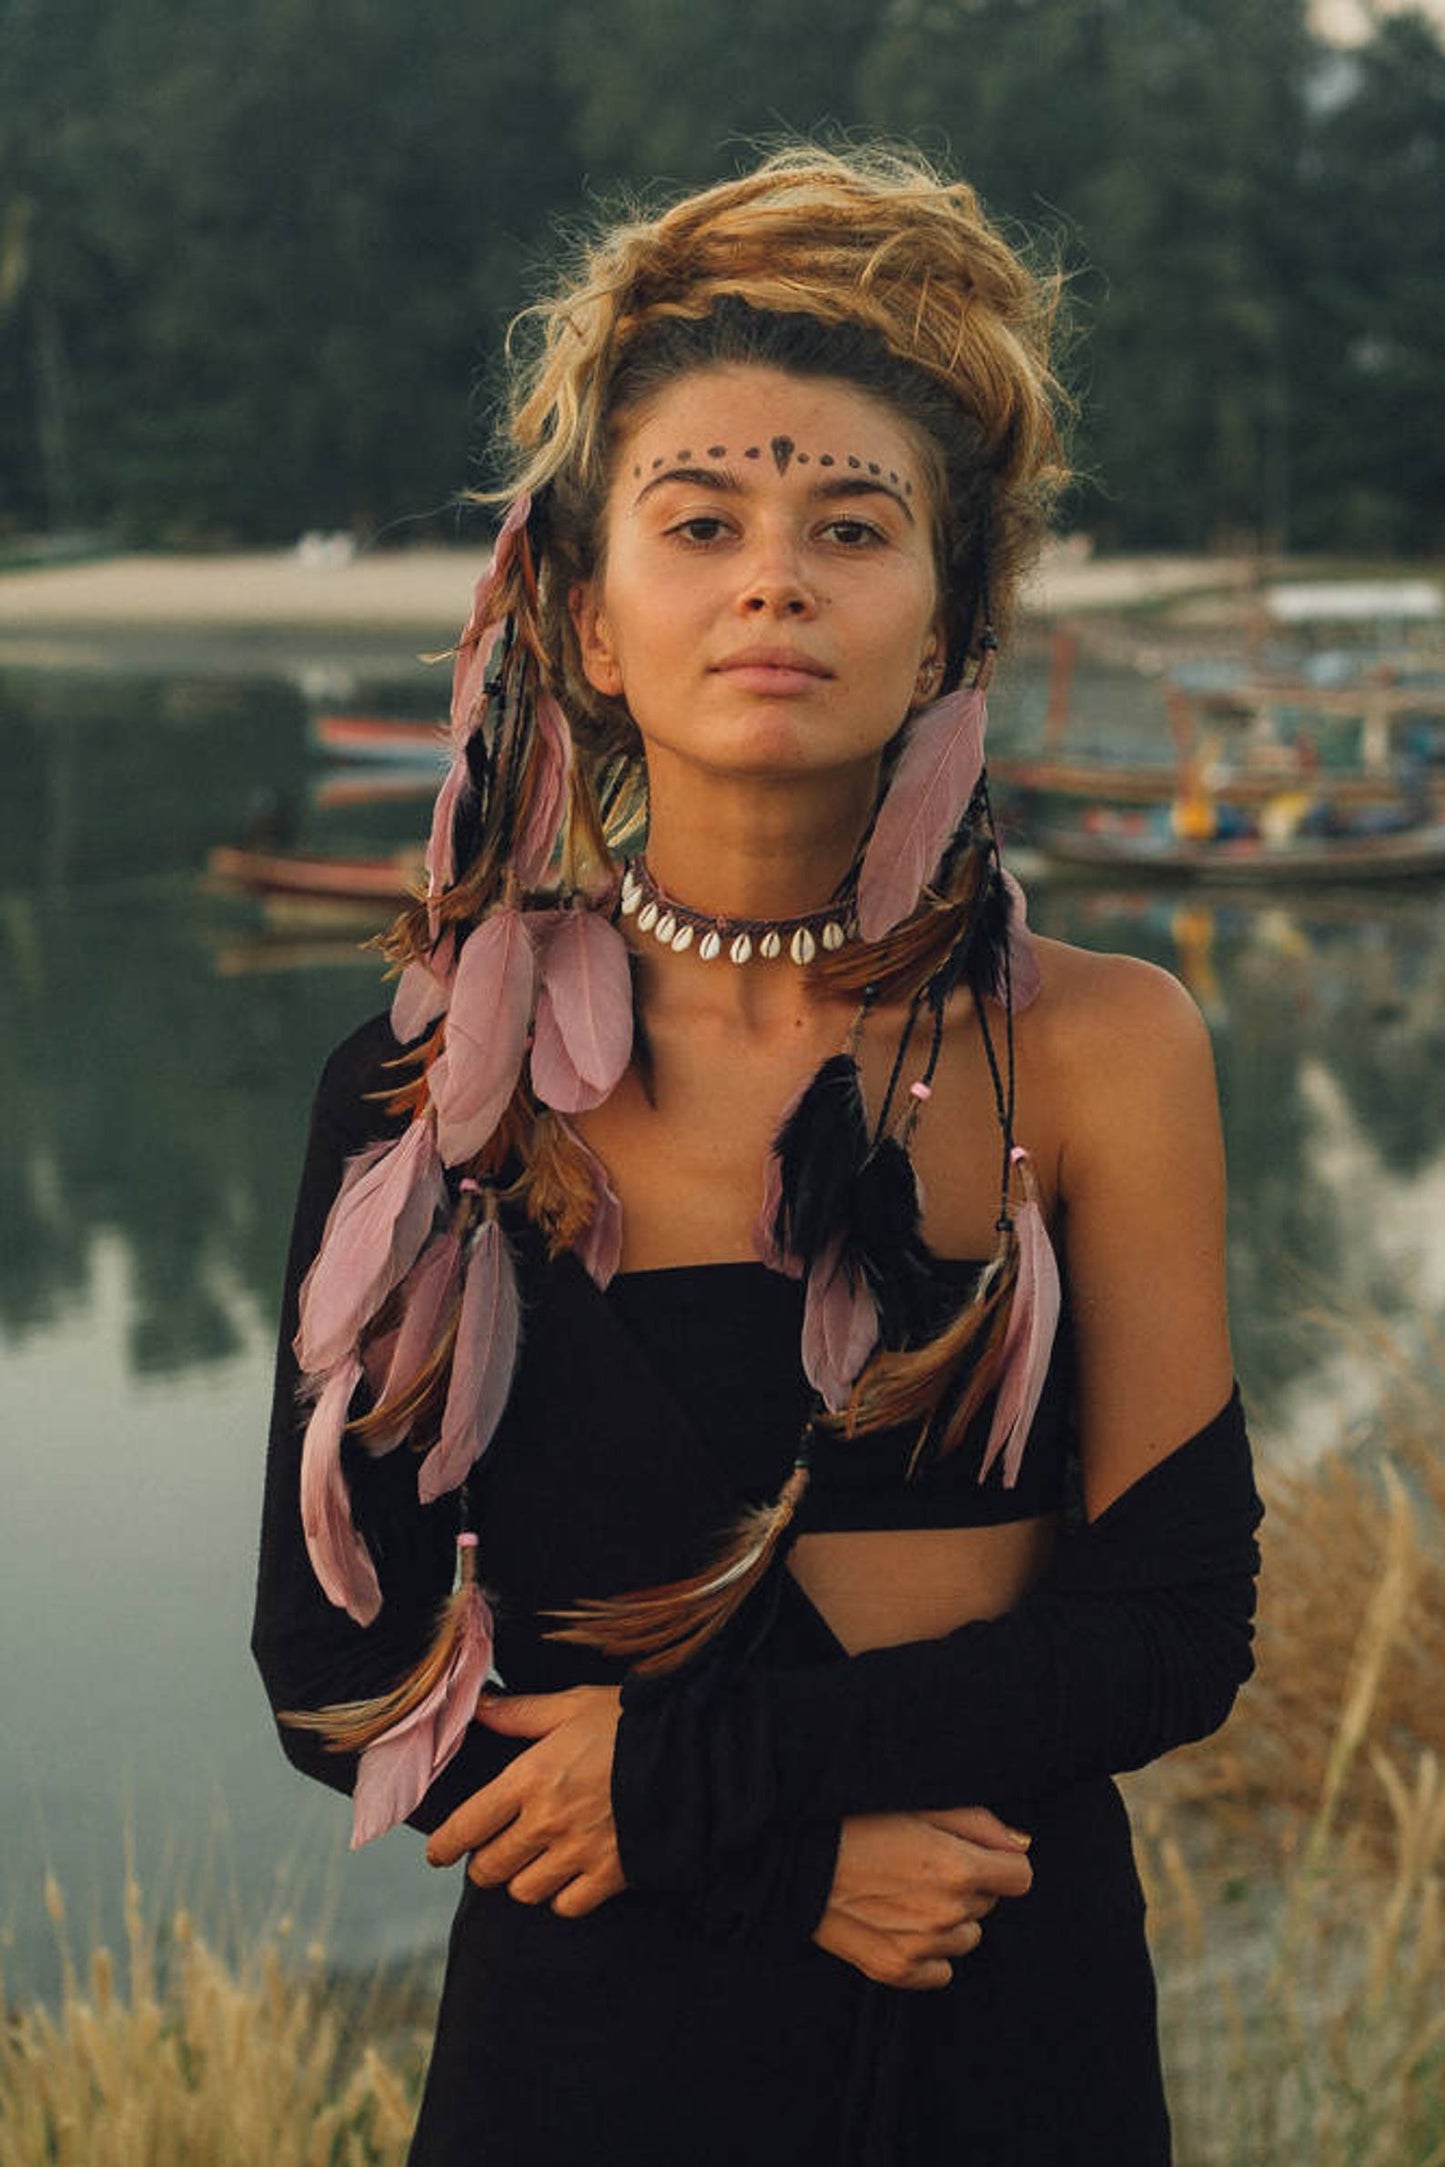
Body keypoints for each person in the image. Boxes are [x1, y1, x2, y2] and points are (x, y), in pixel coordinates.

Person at [252, 145, 1262, 2166]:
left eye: (851, 527)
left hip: (998, 2009)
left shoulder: (1099, 1051)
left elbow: (1171, 1622)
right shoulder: (430, 1086)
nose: (772, 577)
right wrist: (778, 1864)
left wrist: (705, 1771)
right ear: (597, 622)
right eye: (699, 521)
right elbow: (338, 1668)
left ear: (953, 625)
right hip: (593, 2032)